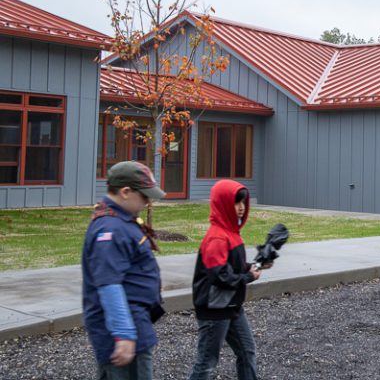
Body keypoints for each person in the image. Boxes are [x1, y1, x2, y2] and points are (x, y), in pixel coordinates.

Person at [82, 161, 167, 380]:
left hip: (135, 322)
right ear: (126, 192)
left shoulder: (120, 220)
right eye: (145, 195)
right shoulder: (109, 229)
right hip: (125, 332)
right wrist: (125, 335)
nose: (148, 201)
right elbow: (109, 285)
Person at [188, 180, 269, 380]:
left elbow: (231, 266)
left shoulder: (231, 233)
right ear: (222, 204)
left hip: (231, 305)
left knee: (247, 351)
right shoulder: (216, 238)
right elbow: (219, 275)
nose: (241, 208)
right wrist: (248, 276)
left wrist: (252, 266)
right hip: (214, 310)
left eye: (243, 202)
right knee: (206, 362)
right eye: (236, 203)